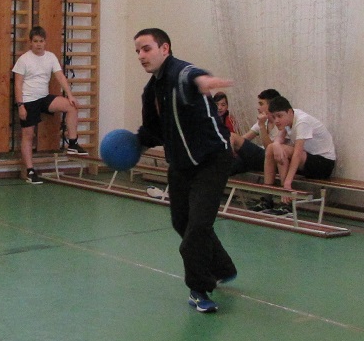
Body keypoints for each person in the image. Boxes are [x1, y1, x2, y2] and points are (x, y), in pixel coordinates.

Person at [134, 27, 237, 313]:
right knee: (181, 222)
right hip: (180, 165)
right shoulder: (150, 92)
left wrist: (204, 80)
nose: (141, 55)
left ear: (164, 48)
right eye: (138, 51)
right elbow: (152, 132)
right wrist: (133, 145)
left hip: (211, 160)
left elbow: (192, 76)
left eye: (146, 48)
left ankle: (199, 289)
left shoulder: (180, 73)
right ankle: (223, 267)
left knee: (198, 227)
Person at [12, 25, 87, 184]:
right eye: (35, 41)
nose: (39, 44)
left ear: (45, 42)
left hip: (44, 97)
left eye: (41, 41)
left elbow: (60, 77)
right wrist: (21, 105)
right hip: (29, 100)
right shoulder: (24, 59)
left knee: (71, 106)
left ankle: (72, 143)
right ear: (30, 42)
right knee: (28, 135)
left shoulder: (51, 57)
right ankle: (30, 171)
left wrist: (70, 95)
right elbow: (17, 84)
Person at [262, 96, 335, 215]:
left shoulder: (302, 121)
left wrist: (287, 182)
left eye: (279, 116)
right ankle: (266, 198)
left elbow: (297, 153)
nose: (276, 121)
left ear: (290, 112)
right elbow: (278, 140)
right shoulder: (288, 119)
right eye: (274, 117)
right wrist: (275, 144)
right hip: (306, 161)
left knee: (283, 150)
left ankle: (286, 201)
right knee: (271, 148)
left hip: (324, 164)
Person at [229, 88, 281, 176]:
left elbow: (270, 150)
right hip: (259, 158)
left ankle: (225, 160)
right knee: (232, 165)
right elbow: (244, 139)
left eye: (261, 104)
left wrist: (262, 126)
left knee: (232, 136)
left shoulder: (280, 122)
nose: (258, 108)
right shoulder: (263, 121)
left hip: (271, 159)